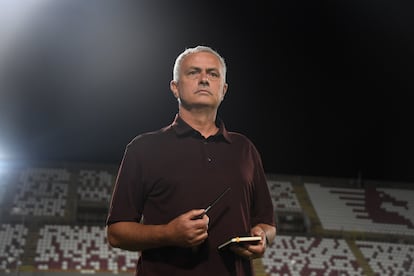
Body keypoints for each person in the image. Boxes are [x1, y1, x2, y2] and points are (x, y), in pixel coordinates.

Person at [106, 45, 276, 276]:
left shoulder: (245, 149)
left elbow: (266, 223)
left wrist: (262, 236)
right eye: (193, 72)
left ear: (223, 89)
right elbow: (116, 233)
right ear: (175, 88)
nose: (204, 79)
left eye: (213, 74)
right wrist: (168, 234)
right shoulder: (143, 148)